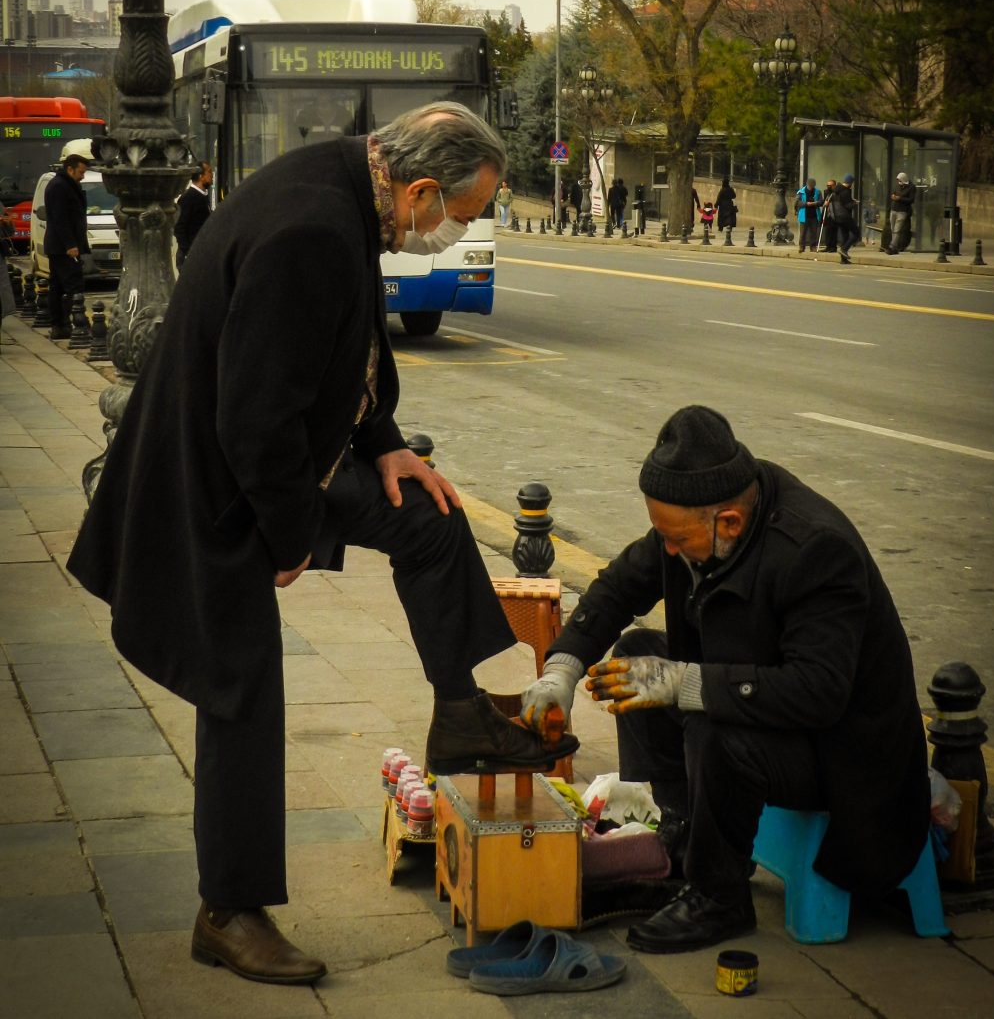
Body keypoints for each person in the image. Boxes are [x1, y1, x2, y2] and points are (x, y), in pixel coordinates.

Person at [67, 102, 576, 987]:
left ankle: (459, 715)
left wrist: (384, 445)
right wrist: (289, 538)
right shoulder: (315, 229)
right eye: (457, 215)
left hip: (272, 456)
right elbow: (256, 418)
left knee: (430, 514)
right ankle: (229, 911)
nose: (454, 231)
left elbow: (341, 355)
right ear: (419, 188)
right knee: (243, 687)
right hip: (209, 480)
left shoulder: (348, 190)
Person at [520, 405, 930, 954]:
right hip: (774, 709)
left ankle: (719, 896)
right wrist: (560, 674)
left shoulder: (815, 551)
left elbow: (819, 693)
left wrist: (684, 683)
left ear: (729, 523)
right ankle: (686, 835)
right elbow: (618, 588)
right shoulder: (699, 518)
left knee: (712, 723)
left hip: (846, 757)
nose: (665, 549)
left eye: (676, 539)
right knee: (636, 658)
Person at [43, 152, 90, 341]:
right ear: (70, 169)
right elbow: (60, 218)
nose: (83, 176)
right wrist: (70, 244)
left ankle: (60, 325)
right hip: (63, 247)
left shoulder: (66, 184)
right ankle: (75, 323)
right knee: (73, 284)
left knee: (58, 285)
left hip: (61, 245)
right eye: (80, 172)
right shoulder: (59, 186)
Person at [174, 161, 213, 268]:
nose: (212, 175)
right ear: (201, 176)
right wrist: (188, 252)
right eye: (209, 172)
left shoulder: (202, 197)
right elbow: (179, 227)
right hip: (191, 256)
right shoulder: (188, 198)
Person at [886, 171, 917, 255]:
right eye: (898, 180)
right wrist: (893, 197)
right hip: (894, 209)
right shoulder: (897, 186)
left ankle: (892, 246)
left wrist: (900, 198)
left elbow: (911, 200)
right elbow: (893, 193)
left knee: (897, 229)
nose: (899, 182)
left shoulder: (911, 187)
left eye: (900, 180)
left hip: (902, 211)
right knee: (893, 229)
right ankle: (895, 247)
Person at [833, 173, 860, 264]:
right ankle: (844, 249)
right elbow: (847, 205)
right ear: (850, 182)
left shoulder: (837, 191)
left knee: (845, 237)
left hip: (838, 217)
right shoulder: (845, 191)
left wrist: (851, 201)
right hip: (845, 216)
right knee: (856, 233)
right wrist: (854, 203)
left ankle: (843, 259)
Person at [795, 177, 822, 253]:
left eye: (812, 186)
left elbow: (821, 202)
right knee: (803, 233)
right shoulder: (800, 192)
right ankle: (801, 247)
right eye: (810, 186)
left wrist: (815, 203)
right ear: (807, 185)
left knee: (813, 233)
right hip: (804, 216)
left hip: (814, 215)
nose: (811, 188)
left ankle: (813, 247)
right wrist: (806, 203)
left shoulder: (818, 192)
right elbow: (797, 203)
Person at [819, 179, 839, 253]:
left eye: (830, 185)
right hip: (827, 214)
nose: (828, 187)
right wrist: (824, 203)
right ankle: (828, 246)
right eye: (827, 185)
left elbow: (837, 202)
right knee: (827, 231)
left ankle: (833, 247)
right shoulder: (827, 192)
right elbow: (825, 200)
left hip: (834, 215)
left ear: (834, 186)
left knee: (833, 231)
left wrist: (829, 203)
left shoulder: (837, 193)